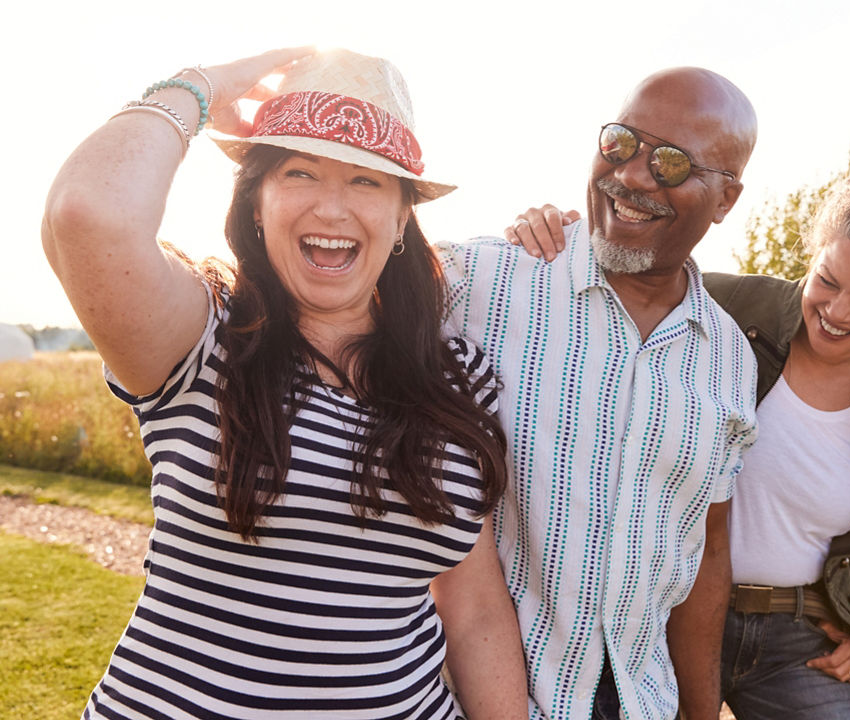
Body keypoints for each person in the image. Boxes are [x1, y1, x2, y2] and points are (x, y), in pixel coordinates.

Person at [43, 48, 527, 719]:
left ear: (399, 223)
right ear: (258, 204)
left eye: (367, 181)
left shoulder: (454, 376)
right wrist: (202, 85)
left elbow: (472, 606)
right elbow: (88, 215)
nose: (332, 207)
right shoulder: (202, 336)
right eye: (300, 171)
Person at [506, 168, 850, 719]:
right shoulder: (726, 308)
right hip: (662, 615)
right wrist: (553, 231)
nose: (837, 313)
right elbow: (611, 280)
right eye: (828, 281)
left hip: (796, 641)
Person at [437, 67, 759, 720]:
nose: (634, 176)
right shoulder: (479, 285)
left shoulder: (730, 358)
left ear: (726, 199)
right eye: (620, 144)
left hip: (639, 703)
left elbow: (706, 557)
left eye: (671, 163)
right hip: (465, 699)